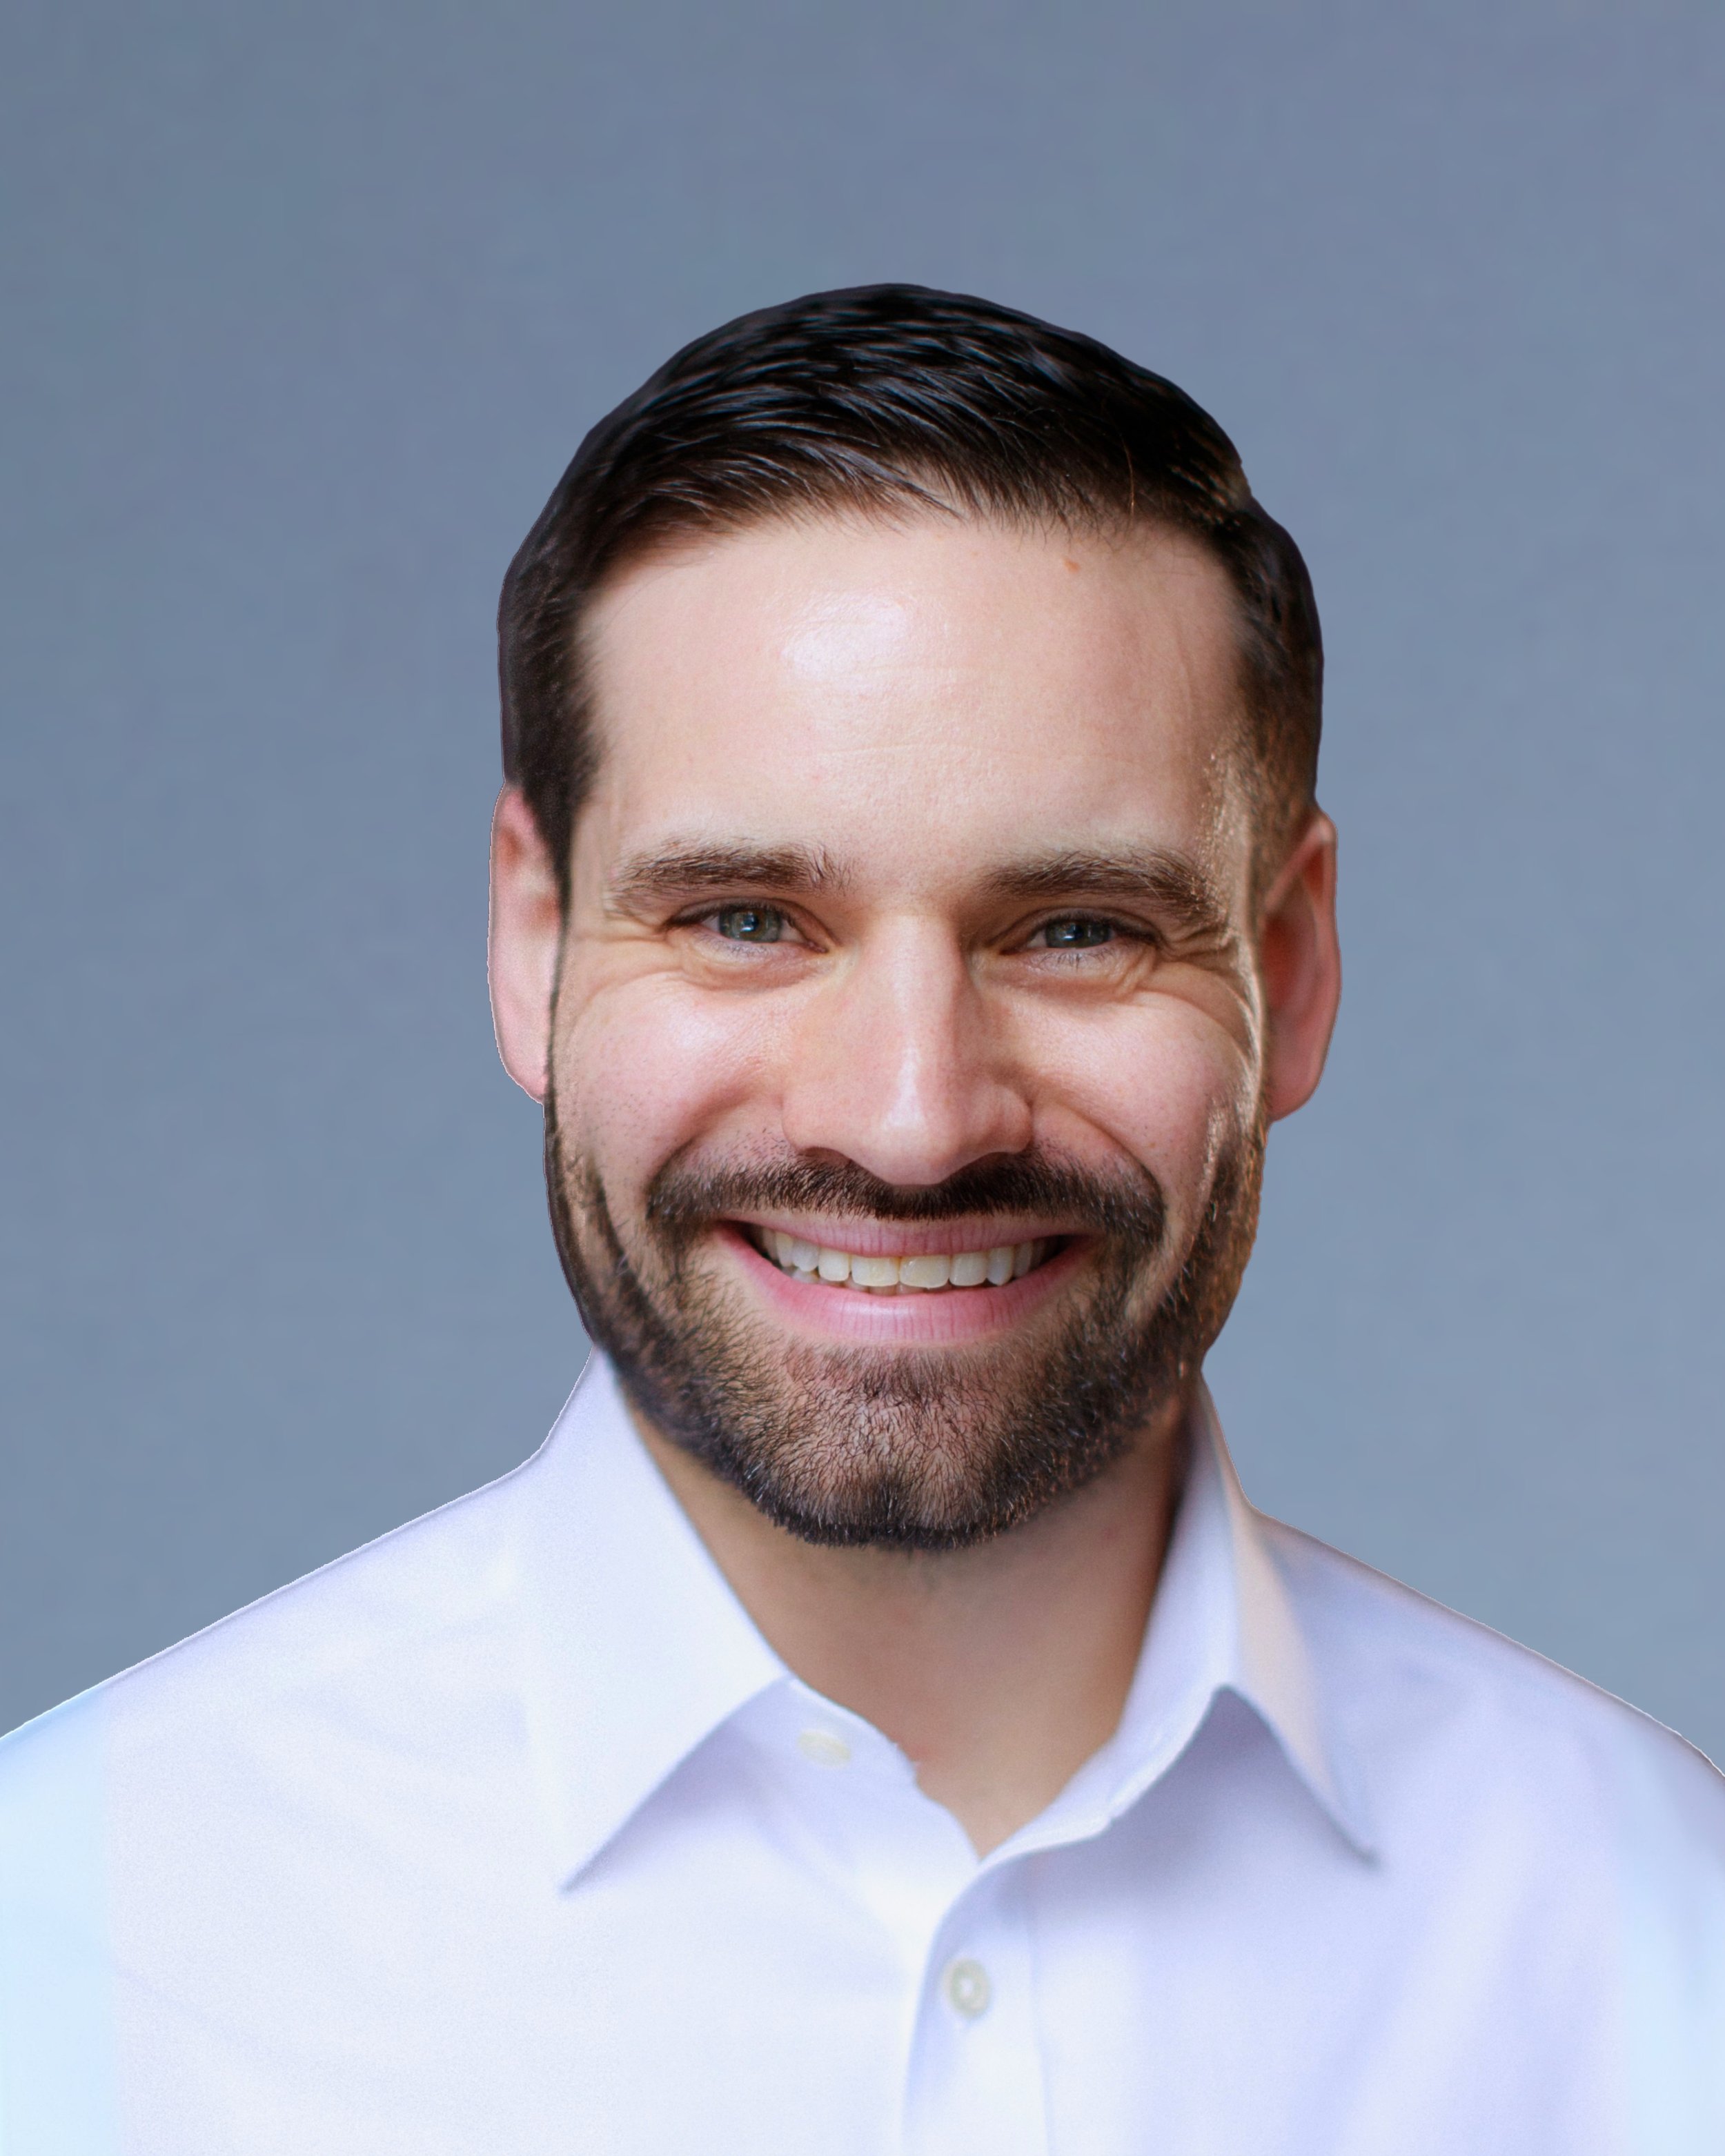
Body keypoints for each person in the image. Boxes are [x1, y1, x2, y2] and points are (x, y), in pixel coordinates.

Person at [1, 286, 1720, 2155]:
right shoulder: (74, 1953)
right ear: (532, 939)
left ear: (1289, 971)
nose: (908, 1123)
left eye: (1074, 929)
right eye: (745, 917)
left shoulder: (1654, 1947)